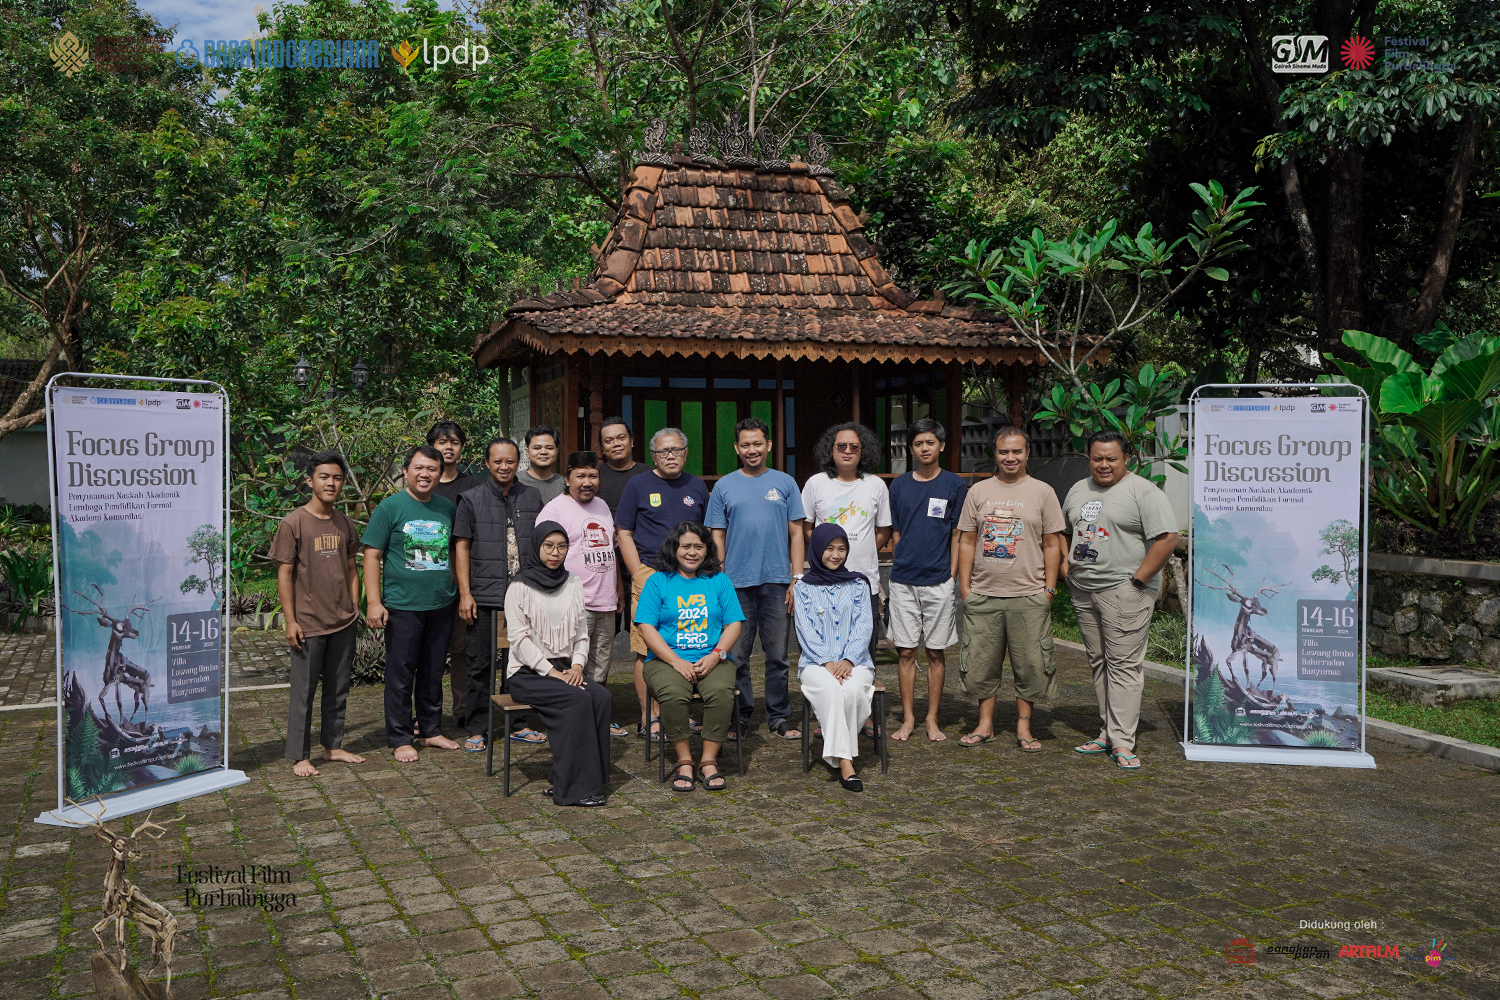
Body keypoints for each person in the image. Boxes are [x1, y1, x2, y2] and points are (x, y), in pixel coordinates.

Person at [1063, 430, 1179, 770]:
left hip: (1124, 590)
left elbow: (1167, 538)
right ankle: (1107, 731)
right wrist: (1066, 565)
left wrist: (1137, 580)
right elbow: (1069, 531)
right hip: (1084, 589)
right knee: (1099, 662)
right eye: (1097, 457)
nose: (1103, 464)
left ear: (1125, 458)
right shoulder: (1078, 489)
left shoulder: (1142, 491)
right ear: (1089, 458)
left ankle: (1123, 742)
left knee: (1124, 665)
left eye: (1111, 458)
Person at [955, 426, 1066, 750]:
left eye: (1017, 451)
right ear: (996, 453)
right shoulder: (978, 492)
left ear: (1027, 454)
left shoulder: (1043, 492)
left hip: (1028, 596)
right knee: (980, 665)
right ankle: (985, 724)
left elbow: (1051, 544)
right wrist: (965, 588)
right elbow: (967, 541)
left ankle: (1023, 726)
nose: (1010, 457)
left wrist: (1049, 590)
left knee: (1031, 665)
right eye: (1004, 451)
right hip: (984, 594)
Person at [706, 417, 805, 739]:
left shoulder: (785, 483)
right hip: (736, 583)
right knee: (737, 656)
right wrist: (720, 576)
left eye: (757, 443)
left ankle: (779, 715)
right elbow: (717, 535)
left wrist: (796, 576)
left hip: (778, 581)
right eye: (745, 445)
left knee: (778, 655)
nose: (752, 450)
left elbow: (796, 533)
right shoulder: (723, 486)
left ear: (769, 445)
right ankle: (741, 715)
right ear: (737, 448)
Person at [362, 445, 463, 762]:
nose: (425, 474)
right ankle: (400, 737)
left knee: (434, 672)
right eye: (419, 468)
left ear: (439, 473)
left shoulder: (446, 507)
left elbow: (454, 552)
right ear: (406, 471)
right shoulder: (390, 508)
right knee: (401, 674)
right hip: (403, 606)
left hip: (440, 604)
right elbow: (372, 556)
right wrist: (374, 602)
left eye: (432, 469)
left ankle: (431, 730)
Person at [503, 523, 614, 806]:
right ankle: (574, 790)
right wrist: (552, 673)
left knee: (601, 697)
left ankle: (578, 778)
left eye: (561, 546)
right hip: (527, 673)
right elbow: (518, 640)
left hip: (565, 668)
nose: (555, 553)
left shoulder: (573, 582)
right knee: (576, 700)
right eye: (548, 546)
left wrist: (577, 667)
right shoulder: (518, 586)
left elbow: (581, 633)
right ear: (537, 546)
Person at [271, 451, 366, 777]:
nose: (332, 483)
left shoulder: (344, 523)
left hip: (343, 620)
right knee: (303, 692)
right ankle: (299, 756)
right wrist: (291, 620)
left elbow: (353, 567)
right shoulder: (293, 523)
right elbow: (284, 574)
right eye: (324, 477)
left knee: (338, 687)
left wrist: (354, 606)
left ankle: (333, 747)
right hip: (308, 623)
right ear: (310, 481)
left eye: (337, 478)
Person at [635, 521, 744, 792]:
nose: (692, 552)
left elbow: (734, 624)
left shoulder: (719, 580)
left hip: (712, 657)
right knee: (673, 693)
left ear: (708, 550)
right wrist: (675, 660)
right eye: (686, 546)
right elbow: (646, 627)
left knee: (721, 691)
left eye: (699, 546)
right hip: (665, 660)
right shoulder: (657, 581)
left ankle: (708, 760)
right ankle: (684, 760)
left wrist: (717, 655)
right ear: (674, 549)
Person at [616, 428, 709, 738]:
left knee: (682, 646)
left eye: (677, 450)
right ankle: (648, 717)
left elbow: (706, 535)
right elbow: (624, 532)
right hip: (651, 578)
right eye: (664, 451)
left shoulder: (696, 486)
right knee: (646, 650)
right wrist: (639, 572)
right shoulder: (638, 484)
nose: (671, 456)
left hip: (689, 582)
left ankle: (675, 713)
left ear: (685, 452)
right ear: (653, 456)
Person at [454, 436, 545, 752]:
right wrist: (466, 594)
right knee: (480, 664)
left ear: (517, 462)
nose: (504, 467)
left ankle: (518, 724)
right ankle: (477, 727)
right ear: (487, 463)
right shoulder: (470, 499)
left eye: (510, 461)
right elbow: (461, 547)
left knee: (520, 662)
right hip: (485, 597)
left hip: (524, 597)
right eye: (497, 461)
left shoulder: (532, 497)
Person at [886, 418, 968, 743]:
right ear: (911, 448)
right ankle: (908, 719)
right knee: (905, 652)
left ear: (941, 446)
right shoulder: (899, 485)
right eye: (918, 443)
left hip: (939, 581)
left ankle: (932, 719)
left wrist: (952, 574)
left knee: (935, 652)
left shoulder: (955, 485)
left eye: (930, 442)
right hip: (903, 580)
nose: (924, 448)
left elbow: (958, 534)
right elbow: (895, 530)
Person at [538, 452, 630, 736]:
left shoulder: (602, 505)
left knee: (600, 664)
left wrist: (618, 590)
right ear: (567, 479)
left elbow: (610, 551)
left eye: (593, 476)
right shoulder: (554, 510)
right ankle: (572, 720)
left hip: (605, 600)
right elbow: (543, 555)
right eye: (580, 476)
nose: (587, 482)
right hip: (573, 602)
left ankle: (597, 717)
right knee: (571, 663)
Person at [801, 422, 892, 666]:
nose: (847, 451)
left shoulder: (876, 485)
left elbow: (884, 530)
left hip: (863, 579)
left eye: (854, 446)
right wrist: (826, 551)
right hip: (823, 583)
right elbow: (805, 528)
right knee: (824, 646)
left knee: (863, 650)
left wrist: (863, 548)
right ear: (830, 450)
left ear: (864, 451)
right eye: (841, 446)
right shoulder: (815, 483)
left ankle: (863, 700)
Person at [794, 524, 875, 791]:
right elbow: (804, 629)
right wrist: (828, 661)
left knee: (852, 690)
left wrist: (849, 659)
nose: (836, 555)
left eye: (841, 549)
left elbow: (864, 624)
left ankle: (840, 755)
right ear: (817, 549)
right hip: (816, 663)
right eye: (829, 548)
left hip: (857, 661)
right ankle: (846, 762)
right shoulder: (803, 587)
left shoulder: (858, 583)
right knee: (831, 689)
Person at [427, 421, 481, 725]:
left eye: (454, 442)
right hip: (429, 577)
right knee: (430, 652)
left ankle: (462, 712)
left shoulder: (472, 485)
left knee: (461, 650)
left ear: (462, 449)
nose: (448, 447)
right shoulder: (423, 483)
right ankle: (428, 714)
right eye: (442, 442)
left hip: (463, 577)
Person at [596, 417, 653, 515]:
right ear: (602, 448)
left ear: (631, 441)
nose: (616, 444)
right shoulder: (594, 476)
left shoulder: (650, 475)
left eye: (621, 438)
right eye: (608, 441)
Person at [518, 425, 566, 504]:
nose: (543, 452)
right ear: (527, 452)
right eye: (537, 448)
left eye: (549, 448)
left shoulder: (564, 485)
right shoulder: (515, 481)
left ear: (556, 452)